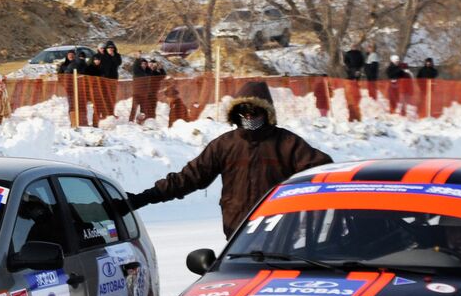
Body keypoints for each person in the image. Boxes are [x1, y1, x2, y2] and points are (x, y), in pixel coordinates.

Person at [127, 81, 334, 236]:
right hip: (237, 232)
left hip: (278, 230)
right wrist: (143, 198)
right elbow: (189, 178)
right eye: (244, 111)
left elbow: (323, 172)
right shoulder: (225, 144)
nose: (250, 117)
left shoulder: (286, 143)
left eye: (255, 111)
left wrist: (299, 200)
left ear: (266, 112)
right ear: (236, 113)